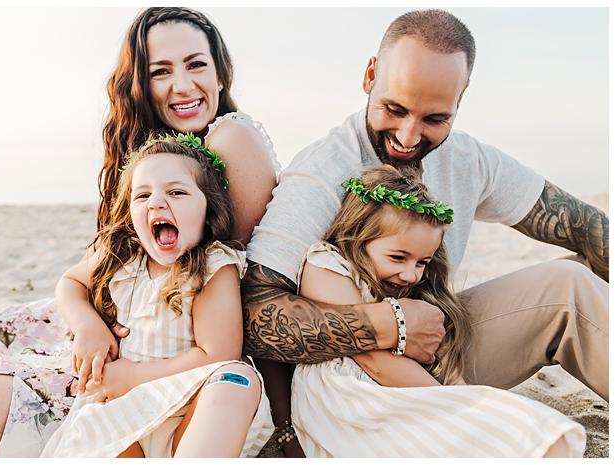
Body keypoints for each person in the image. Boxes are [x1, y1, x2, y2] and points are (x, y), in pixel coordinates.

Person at [242, 9, 608, 457]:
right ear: (370, 74)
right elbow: (256, 315)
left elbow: (582, 226)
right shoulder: (321, 172)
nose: (408, 135)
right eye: (394, 109)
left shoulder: (468, 158)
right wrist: (389, 326)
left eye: (434, 118)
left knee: (570, 284)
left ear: (461, 97)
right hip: (353, 394)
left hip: (440, 350)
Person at [0, 7, 278, 458]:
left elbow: (241, 291)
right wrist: (87, 324)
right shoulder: (150, 158)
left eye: (196, 64)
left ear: (220, 73)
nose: (182, 85)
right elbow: (83, 275)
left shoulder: (230, 139)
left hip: (144, 361)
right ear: (141, 84)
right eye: (161, 71)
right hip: (85, 324)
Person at [292, 165, 585, 457]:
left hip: (401, 388)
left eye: (422, 262)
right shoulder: (328, 264)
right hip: (350, 402)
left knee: (534, 429)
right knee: (521, 431)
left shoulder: (402, 289)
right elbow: (372, 358)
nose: (410, 275)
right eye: (398, 257)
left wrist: (462, 391)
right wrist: (456, 402)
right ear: (357, 237)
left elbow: (440, 356)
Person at [40, 135, 273, 457]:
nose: (157, 203)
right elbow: (70, 282)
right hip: (121, 412)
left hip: (189, 408)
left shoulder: (212, 265)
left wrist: (135, 375)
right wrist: (87, 326)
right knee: (90, 425)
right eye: (143, 195)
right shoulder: (122, 255)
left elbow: (218, 353)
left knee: (236, 380)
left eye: (176, 192)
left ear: (208, 207)